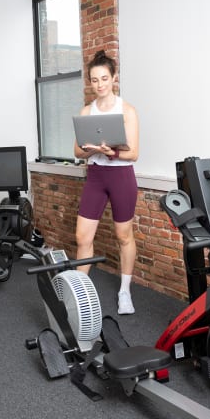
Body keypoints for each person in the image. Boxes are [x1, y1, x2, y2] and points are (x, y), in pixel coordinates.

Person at [73, 50, 140, 315]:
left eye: (104, 78)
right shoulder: (85, 111)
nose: (99, 84)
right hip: (96, 176)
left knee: (123, 236)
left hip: (121, 176)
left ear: (114, 78)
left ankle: (125, 291)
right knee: (82, 236)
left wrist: (110, 151)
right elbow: (77, 152)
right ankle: (80, 292)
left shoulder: (127, 110)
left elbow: (133, 153)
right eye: (94, 80)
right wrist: (93, 150)